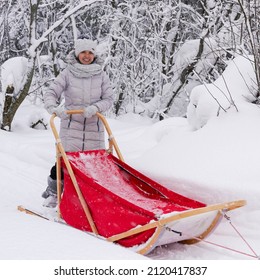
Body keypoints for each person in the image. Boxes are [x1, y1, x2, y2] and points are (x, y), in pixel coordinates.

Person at [42, 38, 114, 207]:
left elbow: (109, 99)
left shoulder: (101, 74)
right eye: (83, 52)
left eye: (90, 52)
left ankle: (87, 200)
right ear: (77, 53)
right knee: (64, 163)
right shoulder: (67, 73)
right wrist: (54, 108)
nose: (86, 56)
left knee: (93, 166)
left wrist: (95, 107)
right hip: (71, 127)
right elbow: (51, 93)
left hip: (93, 127)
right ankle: (53, 193)